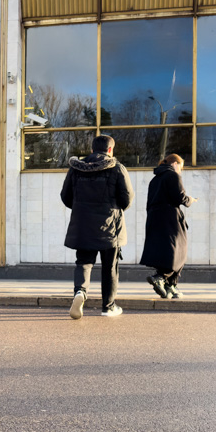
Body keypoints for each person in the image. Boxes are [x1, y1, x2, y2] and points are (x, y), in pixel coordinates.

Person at [61, 134, 134, 319]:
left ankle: (80, 292)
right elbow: (127, 198)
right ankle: (108, 307)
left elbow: (65, 196)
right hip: (110, 227)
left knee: (84, 262)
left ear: (92, 149)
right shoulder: (117, 168)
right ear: (110, 150)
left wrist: (81, 208)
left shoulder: (77, 168)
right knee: (110, 267)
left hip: (83, 225)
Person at [139, 154, 195, 299]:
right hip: (170, 218)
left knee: (167, 251)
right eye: (180, 168)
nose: (180, 171)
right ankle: (161, 278)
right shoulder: (173, 175)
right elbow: (180, 197)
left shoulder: (155, 179)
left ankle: (170, 286)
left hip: (155, 218)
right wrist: (191, 200)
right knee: (180, 250)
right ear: (175, 164)